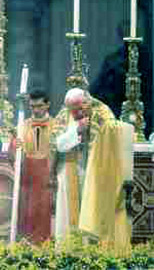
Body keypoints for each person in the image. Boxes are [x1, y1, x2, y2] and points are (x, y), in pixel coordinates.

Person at [53, 88, 115, 241]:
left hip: (95, 171)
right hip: (69, 170)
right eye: (72, 110)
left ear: (87, 102)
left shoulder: (102, 112)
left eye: (79, 108)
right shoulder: (64, 115)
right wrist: (77, 131)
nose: (76, 114)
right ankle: (68, 251)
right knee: (68, 217)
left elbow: (111, 138)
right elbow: (58, 144)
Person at [9, 89, 57, 243]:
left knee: (44, 214)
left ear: (47, 104)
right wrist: (14, 146)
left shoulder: (56, 125)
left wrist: (53, 174)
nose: (35, 110)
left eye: (39, 106)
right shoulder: (22, 126)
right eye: (32, 106)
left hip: (47, 175)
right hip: (27, 176)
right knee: (26, 214)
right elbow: (13, 157)